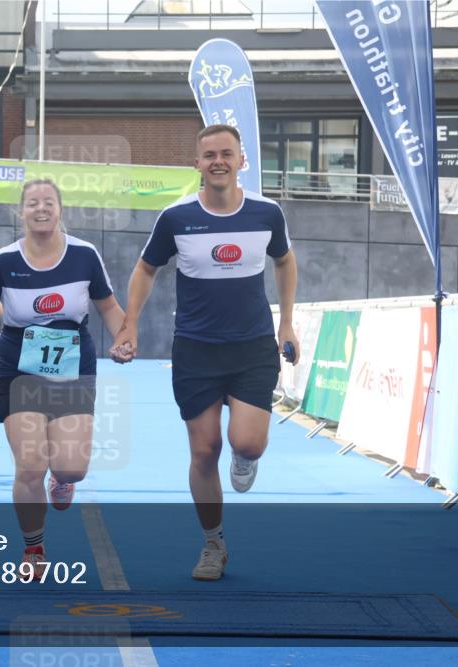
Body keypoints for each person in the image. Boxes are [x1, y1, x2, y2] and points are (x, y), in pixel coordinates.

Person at [109, 124, 299, 582]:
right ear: (196, 163)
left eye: (226, 154)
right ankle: (214, 543)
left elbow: (284, 260)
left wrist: (287, 322)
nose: (218, 161)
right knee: (204, 449)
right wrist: (130, 322)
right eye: (209, 155)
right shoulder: (176, 218)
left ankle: (245, 456)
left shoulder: (267, 213)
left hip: (253, 348)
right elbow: (145, 268)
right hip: (196, 351)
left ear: (241, 161)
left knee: (247, 443)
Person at [0, 179, 127, 577]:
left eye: (48, 202)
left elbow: (108, 306)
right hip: (19, 371)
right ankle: (33, 547)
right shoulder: (4, 260)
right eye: (32, 203)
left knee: (72, 467)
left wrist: (124, 338)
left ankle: (62, 479)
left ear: (60, 209)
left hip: (72, 370)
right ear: (20, 212)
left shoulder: (84, 255)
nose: (40, 208)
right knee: (29, 465)